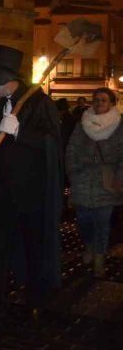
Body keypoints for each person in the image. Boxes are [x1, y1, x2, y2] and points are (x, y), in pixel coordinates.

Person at [0, 45, 63, 317]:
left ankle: (35, 298)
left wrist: (20, 134)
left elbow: (52, 144)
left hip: (32, 192)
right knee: (1, 243)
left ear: (4, 79)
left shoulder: (39, 104)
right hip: (6, 190)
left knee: (33, 245)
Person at [66, 87, 123, 278]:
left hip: (106, 182)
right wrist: (73, 170)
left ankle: (99, 257)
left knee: (103, 223)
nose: (99, 103)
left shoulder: (119, 125)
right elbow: (71, 149)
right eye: (96, 99)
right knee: (83, 222)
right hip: (82, 181)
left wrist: (119, 176)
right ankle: (89, 246)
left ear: (111, 103)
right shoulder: (82, 123)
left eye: (104, 100)